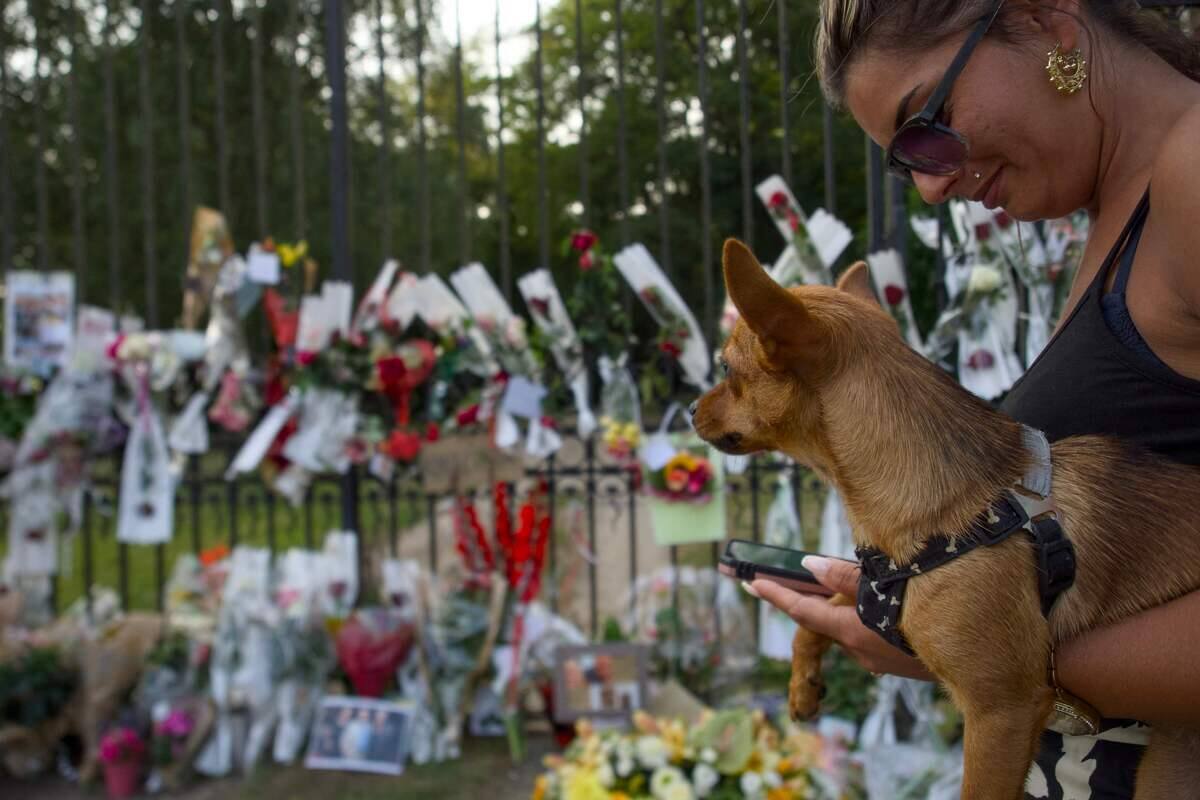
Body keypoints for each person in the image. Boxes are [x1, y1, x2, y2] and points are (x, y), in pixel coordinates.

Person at [748, 1, 1200, 797]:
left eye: (925, 124)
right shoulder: (1119, 211)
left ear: (1044, 23)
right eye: (904, 163)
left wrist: (978, 647)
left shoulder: (1193, 170)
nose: (928, 185)